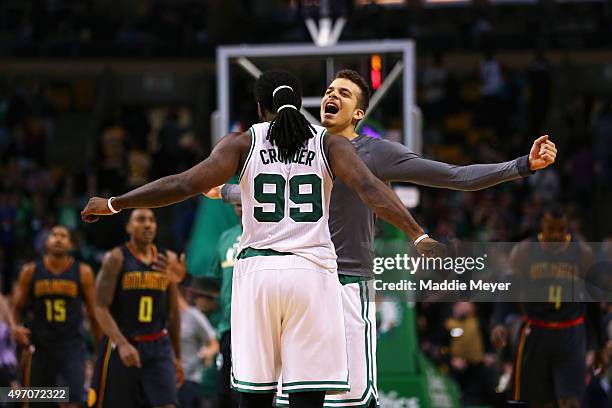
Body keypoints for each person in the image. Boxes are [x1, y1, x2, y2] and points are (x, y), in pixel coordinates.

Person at [80, 70, 442, 408]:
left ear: (259, 107)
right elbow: (369, 188)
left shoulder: (241, 143)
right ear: (301, 104)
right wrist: (418, 233)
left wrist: (116, 203)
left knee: (256, 397)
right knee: (309, 397)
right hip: (312, 275)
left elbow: (185, 183)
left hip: (257, 275)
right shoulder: (329, 144)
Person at [214, 69, 558, 408]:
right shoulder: (303, 145)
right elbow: (267, 191)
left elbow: (455, 176)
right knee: (294, 399)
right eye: (330, 90)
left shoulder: (375, 153)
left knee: (353, 398)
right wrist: (229, 190)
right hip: (303, 284)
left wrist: (521, 165)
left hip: (346, 281)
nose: (332, 96)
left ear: (359, 113)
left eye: (344, 94)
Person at [491, 207, 608, 407]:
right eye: (551, 229)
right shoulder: (525, 251)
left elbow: (594, 302)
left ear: (567, 228)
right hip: (536, 330)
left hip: (571, 333)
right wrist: (499, 321)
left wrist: (601, 345)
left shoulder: (582, 252)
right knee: (538, 401)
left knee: (570, 401)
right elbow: (507, 289)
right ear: (541, 227)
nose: (555, 235)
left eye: (560, 230)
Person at [87, 209, 183, 408]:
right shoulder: (116, 258)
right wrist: (121, 343)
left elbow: (173, 313)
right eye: (140, 220)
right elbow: (100, 307)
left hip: (158, 345)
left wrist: (177, 356)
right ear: (129, 227)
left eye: (151, 220)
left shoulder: (168, 259)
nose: (148, 224)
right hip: (124, 342)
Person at [11, 225, 101, 407]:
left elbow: (93, 313)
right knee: (38, 401)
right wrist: (15, 327)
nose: (58, 239)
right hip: (41, 347)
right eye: (54, 235)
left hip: (72, 348)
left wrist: (99, 350)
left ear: (71, 244)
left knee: (71, 401)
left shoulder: (83, 272)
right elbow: (16, 308)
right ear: (46, 242)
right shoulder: (30, 271)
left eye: (63, 236)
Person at [206, 203, 242, 408]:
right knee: (224, 396)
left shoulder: (271, 235)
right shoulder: (225, 238)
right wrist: (185, 278)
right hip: (227, 329)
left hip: (260, 329)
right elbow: (215, 286)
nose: (239, 200)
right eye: (235, 194)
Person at [178, 276, 219, 408]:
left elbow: (214, 344)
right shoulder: (164, 314)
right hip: (168, 379)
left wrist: (207, 353)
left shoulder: (194, 316)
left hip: (189, 381)